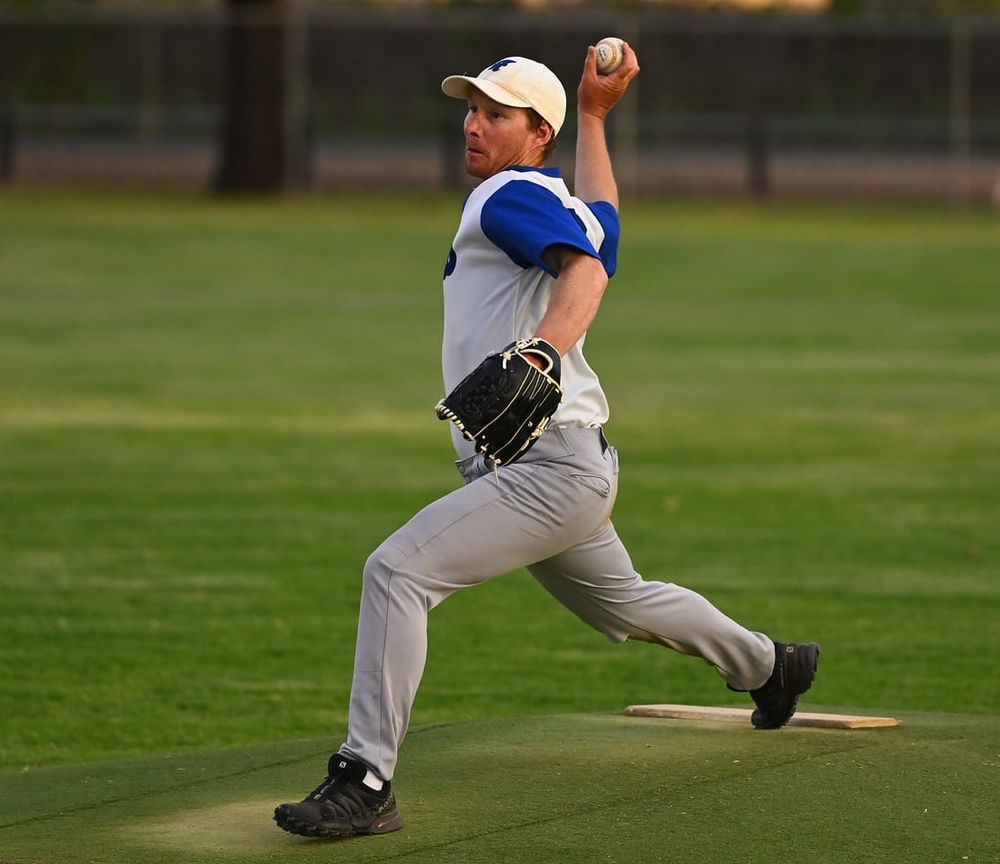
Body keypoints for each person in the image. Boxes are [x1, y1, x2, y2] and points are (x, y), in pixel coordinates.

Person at [273, 44, 819, 840]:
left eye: (496, 113)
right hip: (564, 465)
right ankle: (773, 666)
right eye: (471, 108)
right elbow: (606, 234)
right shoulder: (544, 193)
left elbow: (588, 276)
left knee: (396, 571)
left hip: (548, 470)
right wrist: (596, 116)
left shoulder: (506, 194)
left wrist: (543, 350)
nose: (473, 124)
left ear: (536, 133)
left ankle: (367, 778)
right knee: (628, 603)